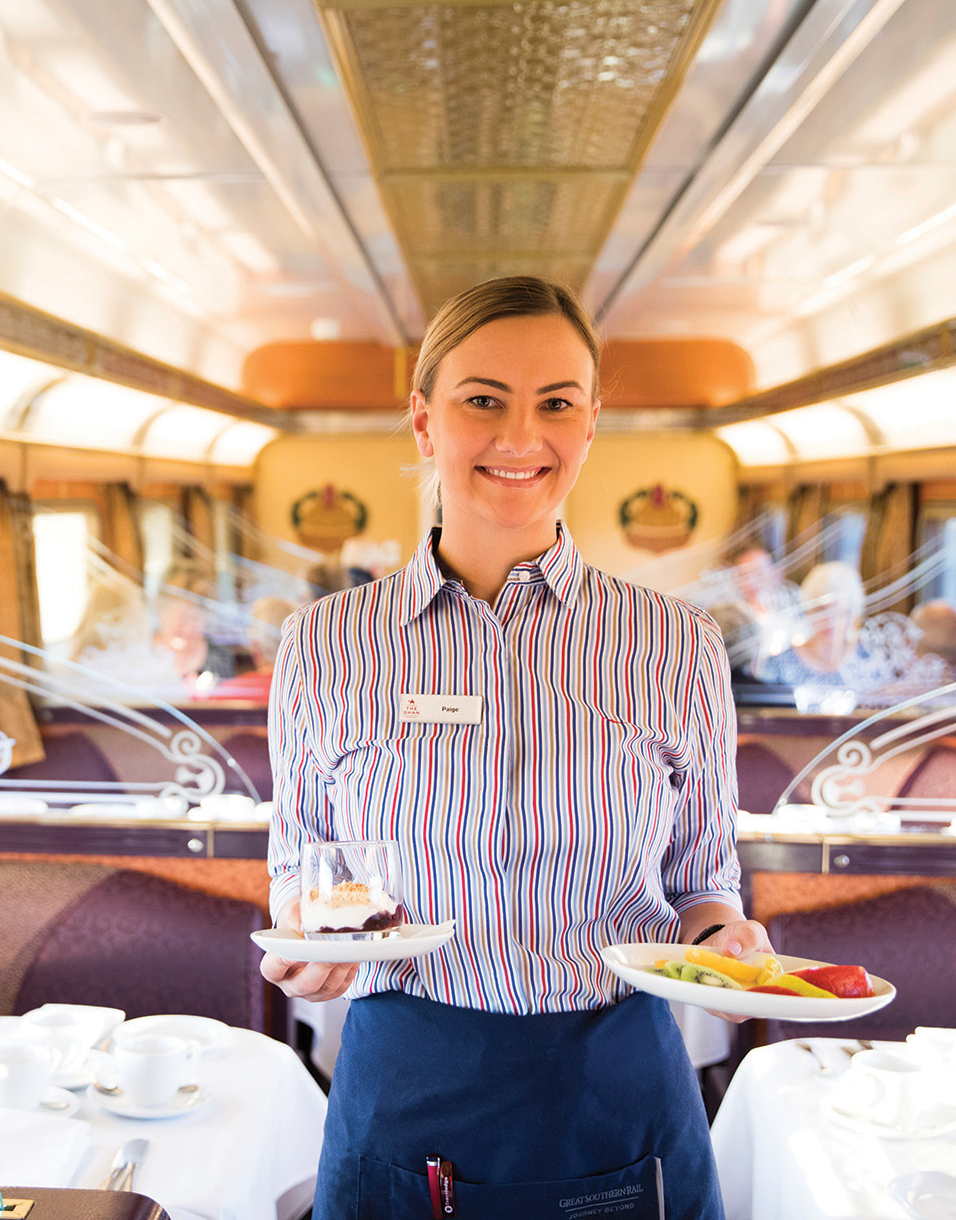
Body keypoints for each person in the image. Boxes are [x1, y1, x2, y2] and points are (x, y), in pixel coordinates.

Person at [262, 277, 765, 1219]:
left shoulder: (675, 644)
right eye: (483, 400)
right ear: (424, 422)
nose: (521, 436)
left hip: (615, 1075)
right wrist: (308, 940)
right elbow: (301, 863)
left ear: (591, 424)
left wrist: (725, 947)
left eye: (557, 404)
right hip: (405, 1067)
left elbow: (703, 881)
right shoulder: (326, 642)